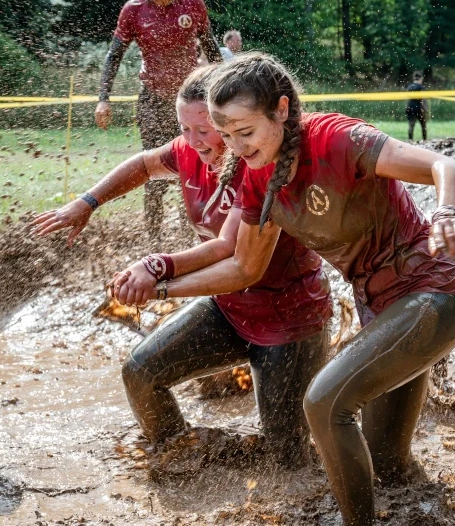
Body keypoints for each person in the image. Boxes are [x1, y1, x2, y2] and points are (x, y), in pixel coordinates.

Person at [112, 53, 455, 525]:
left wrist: (447, 213)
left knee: (324, 404)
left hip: (435, 292)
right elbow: (243, 266)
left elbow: (444, 167)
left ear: (282, 110)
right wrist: (163, 289)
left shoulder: (336, 138)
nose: (237, 148)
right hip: (380, 310)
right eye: (226, 137)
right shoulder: (257, 175)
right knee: (389, 468)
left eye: (246, 133)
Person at [32, 66, 333, 468]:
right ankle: (184, 459)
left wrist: (156, 269)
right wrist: (87, 202)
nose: (194, 142)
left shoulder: (260, 158)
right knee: (141, 373)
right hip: (229, 304)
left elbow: (229, 248)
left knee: (288, 457)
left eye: (205, 129)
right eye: (184, 129)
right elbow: (142, 164)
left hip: (288, 317)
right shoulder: (187, 151)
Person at [95, 0, 223, 245]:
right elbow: (114, 56)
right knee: (154, 171)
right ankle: (153, 242)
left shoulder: (193, 5)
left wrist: (227, 90)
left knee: (195, 169)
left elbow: (211, 48)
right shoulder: (134, 9)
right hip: (153, 100)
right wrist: (103, 98)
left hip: (190, 101)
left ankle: (192, 239)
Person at [405, 71, 428, 141]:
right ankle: (425, 141)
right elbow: (423, 98)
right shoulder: (421, 87)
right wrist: (425, 108)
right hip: (419, 108)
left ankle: (410, 140)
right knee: (423, 126)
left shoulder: (409, 87)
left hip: (410, 107)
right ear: (421, 78)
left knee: (411, 126)